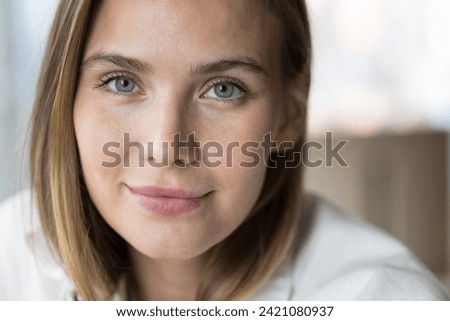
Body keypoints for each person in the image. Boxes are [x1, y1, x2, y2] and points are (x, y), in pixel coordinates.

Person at [0, 0, 448, 300]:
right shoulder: (10, 264)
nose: (165, 148)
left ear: (289, 115)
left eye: (223, 89)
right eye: (122, 82)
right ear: (67, 98)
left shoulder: (380, 298)